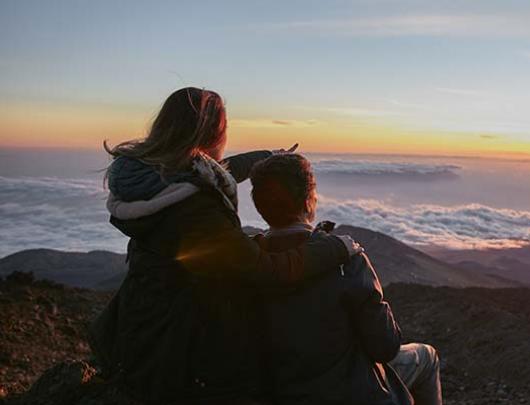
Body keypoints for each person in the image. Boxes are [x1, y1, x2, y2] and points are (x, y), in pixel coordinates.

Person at [88, 87, 362, 403]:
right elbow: (264, 271)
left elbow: (207, 172)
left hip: (141, 330)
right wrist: (336, 248)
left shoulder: (148, 182)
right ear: (211, 134)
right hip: (183, 359)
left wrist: (267, 157)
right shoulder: (195, 210)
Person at [249, 153, 442, 405]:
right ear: (309, 200)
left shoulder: (245, 262)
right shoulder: (345, 259)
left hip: (278, 391)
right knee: (427, 357)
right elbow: (385, 347)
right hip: (350, 393)